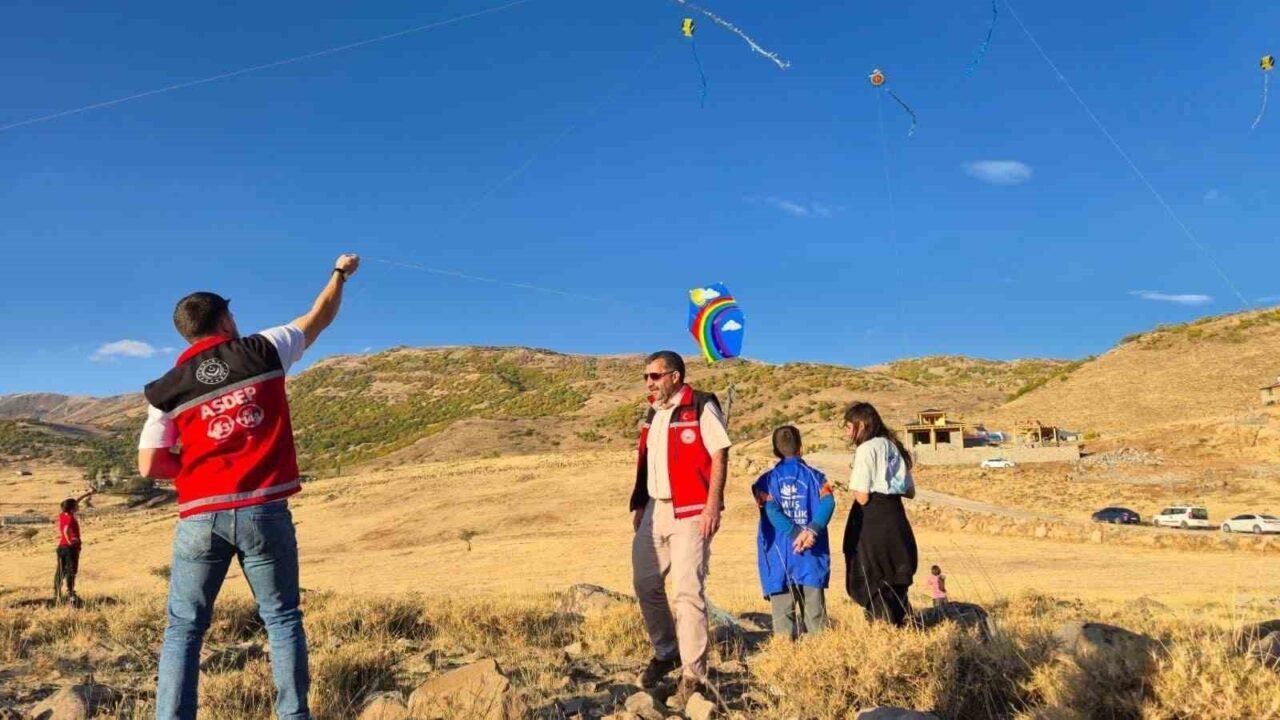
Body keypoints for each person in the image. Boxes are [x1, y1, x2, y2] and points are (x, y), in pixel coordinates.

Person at [138, 254, 359, 720]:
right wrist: (339, 274)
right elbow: (319, 317)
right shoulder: (262, 349)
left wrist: (197, 467)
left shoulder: (167, 388)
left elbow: (149, 464)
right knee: (281, 620)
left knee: (184, 630)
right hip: (263, 510)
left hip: (199, 516)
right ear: (224, 319)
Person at [630, 350, 731, 709]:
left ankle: (693, 675)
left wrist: (712, 504)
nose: (649, 383)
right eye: (646, 377)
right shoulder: (651, 414)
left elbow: (719, 453)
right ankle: (667, 651)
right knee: (645, 582)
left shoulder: (700, 405)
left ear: (674, 376)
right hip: (655, 509)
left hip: (691, 510)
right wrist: (640, 503)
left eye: (654, 376)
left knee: (688, 592)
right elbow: (645, 463)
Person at [751, 425, 834, 640]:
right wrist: (810, 531)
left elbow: (770, 509)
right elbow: (828, 502)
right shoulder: (817, 477)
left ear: (775, 451)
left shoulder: (765, 482)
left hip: (779, 557)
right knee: (816, 622)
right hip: (810, 556)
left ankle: (784, 661)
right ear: (801, 448)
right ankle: (818, 665)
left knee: (782, 624)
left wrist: (794, 532)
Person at [841, 401, 918, 626]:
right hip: (895, 514)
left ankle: (883, 628)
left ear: (862, 425)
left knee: (872, 575)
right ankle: (900, 622)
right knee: (895, 573)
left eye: (849, 426)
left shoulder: (867, 449)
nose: (848, 432)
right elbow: (910, 491)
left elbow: (862, 495)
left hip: (872, 518)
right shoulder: (893, 446)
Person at [55, 488, 96, 603]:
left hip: (61, 547)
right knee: (71, 570)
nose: (78, 506)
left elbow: (76, 501)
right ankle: (70, 592)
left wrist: (87, 494)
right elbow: (66, 530)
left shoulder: (63, 513)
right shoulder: (70, 518)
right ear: (72, 508)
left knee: (60, 570)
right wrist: (69, 542)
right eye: (76, 506)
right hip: (70, 548)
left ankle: (57, 592)